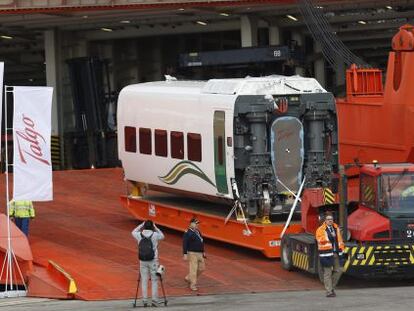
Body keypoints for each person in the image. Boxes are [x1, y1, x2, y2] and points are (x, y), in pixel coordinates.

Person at [132, 220, 165, 307]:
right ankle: (154, 300)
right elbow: (163, 236)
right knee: (154, 280)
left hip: (142, 261)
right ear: (152, 227)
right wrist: (156, 227)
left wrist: (141, 225)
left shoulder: (139, 235)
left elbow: (133, 231)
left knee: (144, 281)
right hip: (153, 260)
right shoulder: (155, 235)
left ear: (144, 226)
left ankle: (145, 300)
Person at [316, 212, 345, 298]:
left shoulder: (336, 228)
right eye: (328, 219)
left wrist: (342, 250)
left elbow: (340, 240)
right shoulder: (320, 229)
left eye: (331, 219)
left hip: (336, 253)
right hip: (326, 254)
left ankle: (331, 287)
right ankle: (329, 291)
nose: (330, 221)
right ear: (325, 220)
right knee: (327, 273)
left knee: (339, 270)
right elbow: (320, 240)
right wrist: (331, 236)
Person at [183, 217, 206, 291]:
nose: (197, 225)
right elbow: (185, 243)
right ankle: (193, 284)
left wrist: (203, 251)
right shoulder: (188, 232)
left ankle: (189, 277)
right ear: (191, 224)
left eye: (197, 224)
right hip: (192, 253)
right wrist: (185, 253)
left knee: (202, 268)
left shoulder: (198, 231)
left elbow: (201, 241)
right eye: (196, 224)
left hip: (200, 252)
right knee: (193, 269)